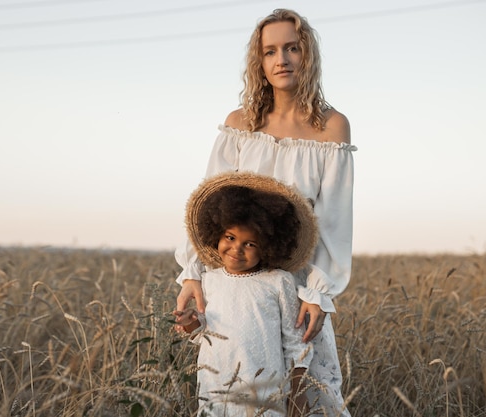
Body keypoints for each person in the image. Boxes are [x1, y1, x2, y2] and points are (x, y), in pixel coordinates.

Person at [175, 8, 356, 416]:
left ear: (307, 55)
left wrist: (317, 295)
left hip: (295, 287)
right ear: (259, 62)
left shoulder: (332, 127)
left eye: (292, 48)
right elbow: (208, 203)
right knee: (237, 390)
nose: (282, 60)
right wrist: (192, 274)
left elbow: (333, 222)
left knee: (305, 396)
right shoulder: (240, 124)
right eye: (270, 51)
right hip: (236, 285)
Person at [173, 171, 319, 417]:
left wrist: (297, 393)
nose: (236, 249)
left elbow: (295, 343)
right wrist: (190, 323)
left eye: (250, 244)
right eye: (230, 237)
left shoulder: (278, 281)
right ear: (216, 233)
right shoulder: (209, 280)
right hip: (215, 389)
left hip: (265, 395)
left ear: (270, 246)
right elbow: (203, 333)